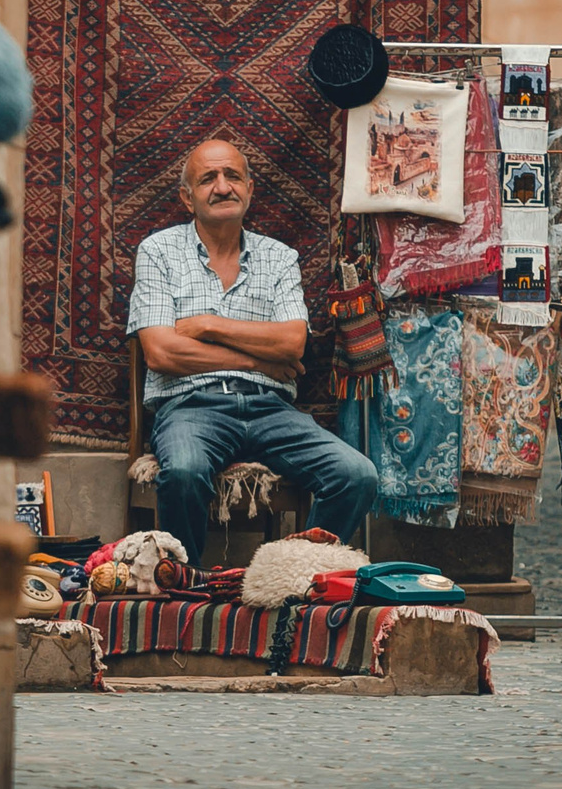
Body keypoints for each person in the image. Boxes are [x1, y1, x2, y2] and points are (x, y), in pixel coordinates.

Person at [127, 138, 380, 561]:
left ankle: (294, 578)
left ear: (249, 188)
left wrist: (207, 325)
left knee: (357, 475)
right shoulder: (158, 251)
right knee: (185, 472)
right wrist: (253, 359)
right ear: (187, 199)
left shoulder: (279, 257)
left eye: (232, 176)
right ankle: (183, 592)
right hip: (190, 407)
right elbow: (161, 353)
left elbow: (292, 341)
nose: (222, 187)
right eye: (208, 179)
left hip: (271, 410)